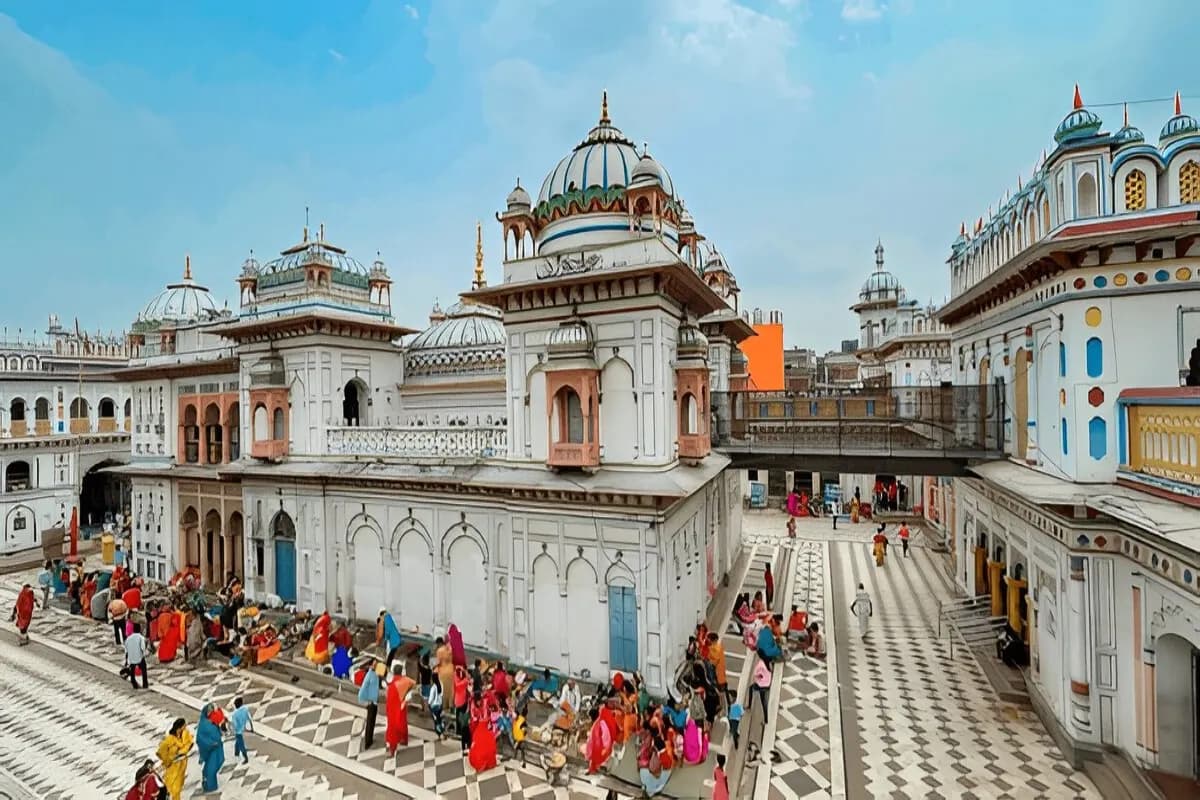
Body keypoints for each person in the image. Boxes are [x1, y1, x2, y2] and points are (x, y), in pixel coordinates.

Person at [156, 718, 193, 800]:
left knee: (178, 786)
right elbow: (161, 751)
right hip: (173, 766)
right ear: (179, 727)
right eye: (184, 726)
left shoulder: (184, 735)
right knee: (172, 786)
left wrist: (182, 751)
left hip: (182, 764)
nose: (185, 728)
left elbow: (189, 744)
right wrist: (168, 760)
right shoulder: (170, 739)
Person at [386, 662, 415, 754]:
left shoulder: (392, 684)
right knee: (402, 723)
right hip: (402, 705)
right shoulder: (405, 680)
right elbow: (413, 683)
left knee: (392, 726)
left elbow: (389, 699)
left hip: (393, 708)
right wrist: (406, 694)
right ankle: (403, 740)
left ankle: (392, 749)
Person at [196, 702, 225, 793]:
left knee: (215, 765)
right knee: (210, 769)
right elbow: (200, 738)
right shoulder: (203, 724)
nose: (210, 713)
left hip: (217, 748)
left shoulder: (212, 721)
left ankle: (210, 784)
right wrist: (211, 744)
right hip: (210, 749)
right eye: (209, 711)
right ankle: (209, 786)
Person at [359, 656, 382, 750]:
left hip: (374, 701)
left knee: (372, 721)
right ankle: (368, 742)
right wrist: (365, 700)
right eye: (374, 664)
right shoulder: (369, 675)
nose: (375, 665)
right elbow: (363, 689)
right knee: (370, 721)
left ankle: (370, 739)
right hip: (371, 702)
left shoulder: (376, 673)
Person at [585, 706, 613, 774]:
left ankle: (596, 768)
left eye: (590, 717)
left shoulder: (601, 723)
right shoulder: (598, 722)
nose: (589, 719)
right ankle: (592, 769)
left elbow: (605, 737)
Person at [435, 636, 455, 721]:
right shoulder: (450, 650)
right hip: (451, 671)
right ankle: (451, 708)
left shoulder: (439, 651)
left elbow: (438, 662)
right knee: (450, 691)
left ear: (439, 643)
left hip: (443, 672)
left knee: (443, 691)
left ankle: (443, 710)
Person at [124, 622, 150, 689]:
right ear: (139, 629)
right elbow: (143, 648)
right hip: (139, 657)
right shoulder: (141, 638)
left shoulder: (128, 638)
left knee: (132, 670)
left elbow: (126, 649)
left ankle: (133, 682)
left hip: (131, 658)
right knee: (144, 669)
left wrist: (127, 658)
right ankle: (145, 683)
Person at [705, 632, 729, 704]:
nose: (708, 641)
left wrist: (706, 656)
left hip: (718, 676)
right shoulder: (718, 647)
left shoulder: (715, 649)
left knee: (720, 694)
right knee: (724, 693)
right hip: (721, 676)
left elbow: (713, 661)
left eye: (709, 639)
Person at [231, 696, 253, 764]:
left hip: (238, 731)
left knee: (241, 744)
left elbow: (235, 724)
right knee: (238, 741)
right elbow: (249, 718)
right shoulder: (245, 709)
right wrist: (251, 728)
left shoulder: (234, 714)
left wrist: (233, 730)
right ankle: (236, 753)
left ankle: (245, 757)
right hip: (244, 727)